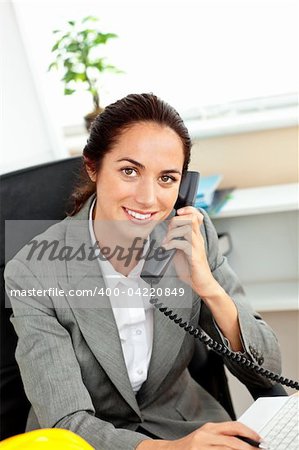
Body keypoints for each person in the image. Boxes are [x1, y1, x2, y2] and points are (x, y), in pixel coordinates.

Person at [4, 93, 281, 450]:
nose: (148, 199)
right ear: (93, 166)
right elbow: (66, 421)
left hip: (184, 421)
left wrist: (207, 285)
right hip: (88, 441)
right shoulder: (31, 272)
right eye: (129, 171)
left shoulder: (192, 234)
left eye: (167, 178)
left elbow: (267, 368)